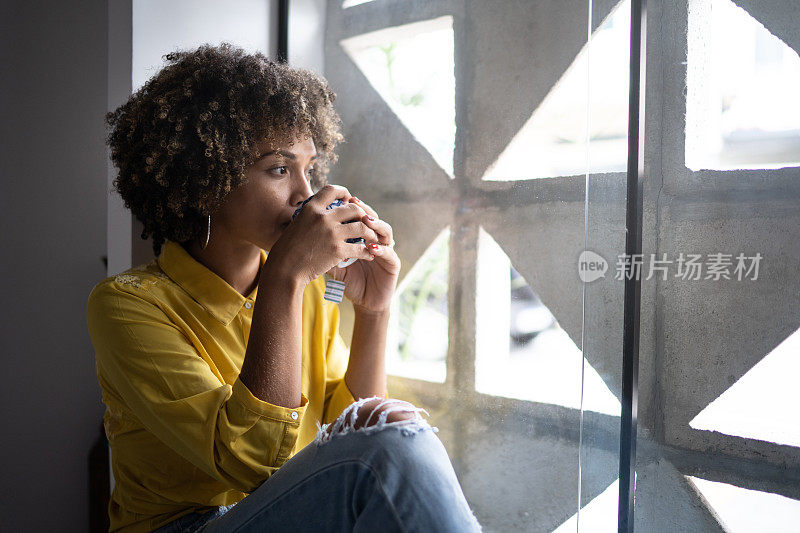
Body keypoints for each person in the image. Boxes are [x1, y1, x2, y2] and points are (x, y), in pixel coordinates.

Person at [86, 42, 481, 532]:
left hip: (291, 508)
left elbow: (348, 429)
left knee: (394, 429)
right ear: (206, 179)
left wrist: (374, 312)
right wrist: (285, 278)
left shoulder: (307, 283)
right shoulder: (127, 305)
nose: (305, 192)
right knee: (391, 448)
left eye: (308, 167)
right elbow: (251, 463)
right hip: (187, 527)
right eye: (279, 169)